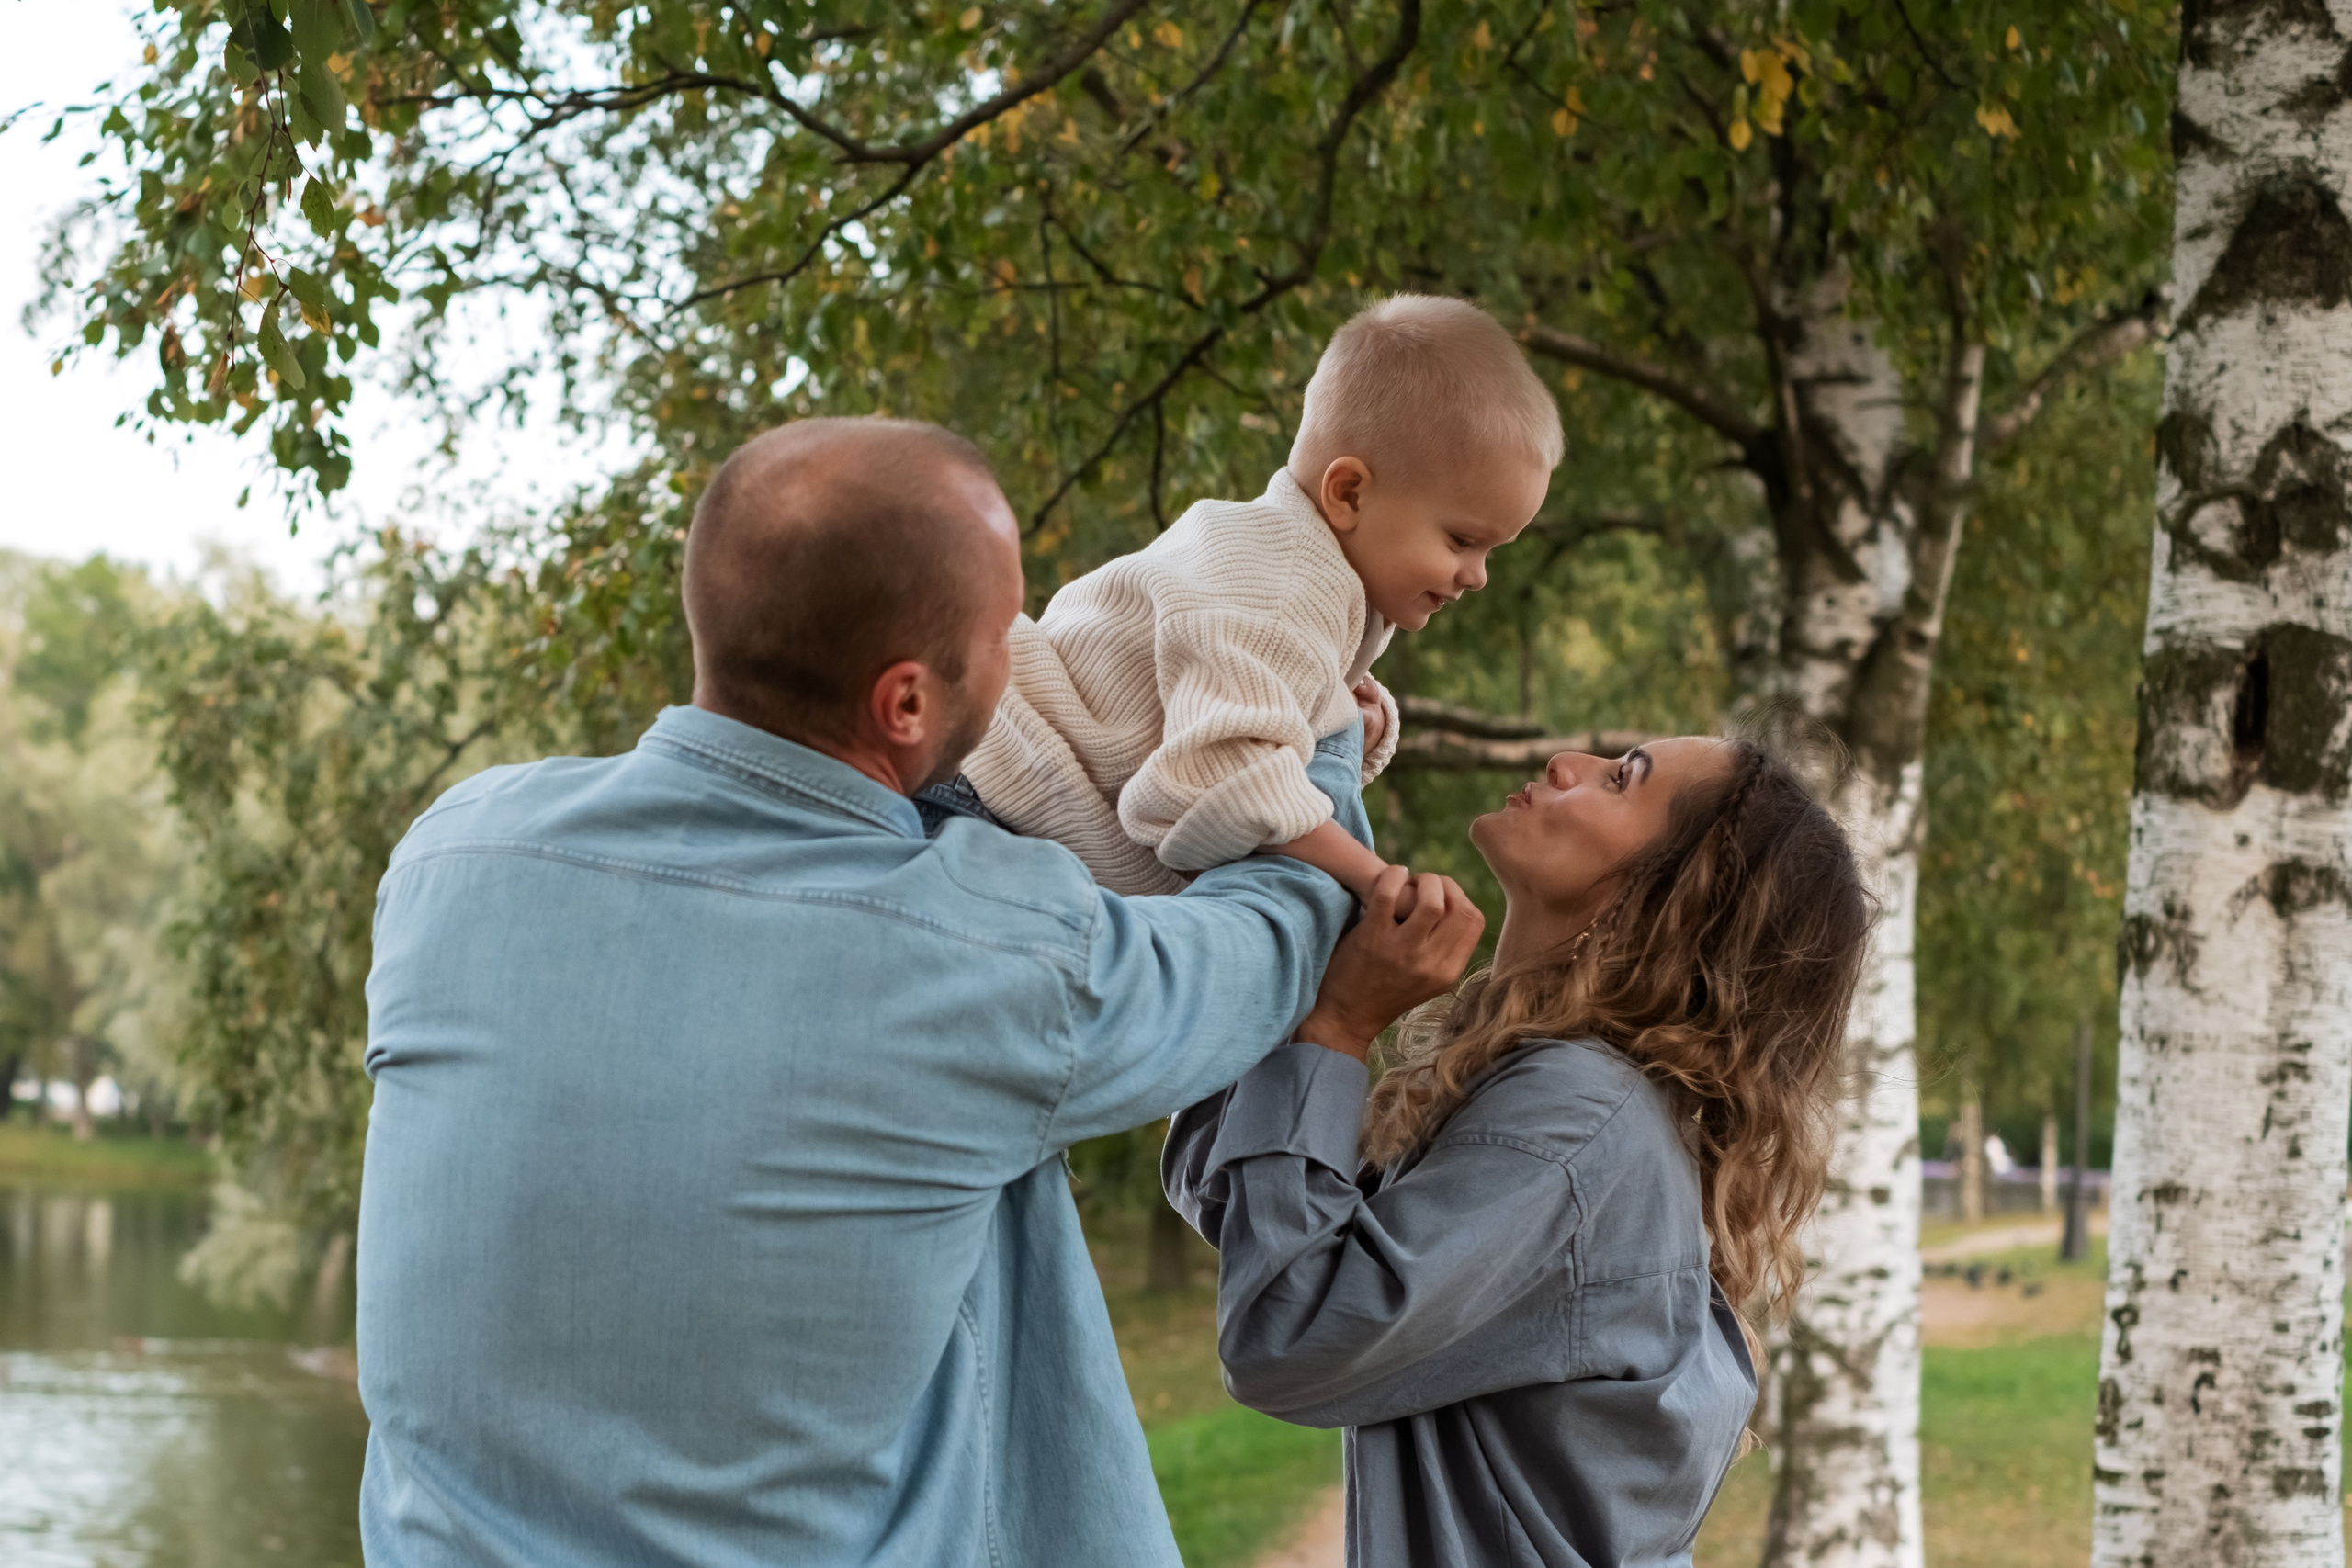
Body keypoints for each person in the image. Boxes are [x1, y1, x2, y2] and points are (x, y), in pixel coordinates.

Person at [353, 417, 1487, 1568]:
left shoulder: (452, 856)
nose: (1025, 657)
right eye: (1009, 632)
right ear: (905, 703)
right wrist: (1318, 731)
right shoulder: (992, 948)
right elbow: (1268, 936)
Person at [1166, 736, 1872, 1567]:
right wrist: (1313, 781)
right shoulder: (1562, 1093)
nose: (1568, 759)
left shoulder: (1578, 1119)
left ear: (1669, 899)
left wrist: (1338, 1031)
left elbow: (1286, 1333)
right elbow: (1230, 1191)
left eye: (1620, 780)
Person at [961, 294, 1562, 900]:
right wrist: (1374, 880)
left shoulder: (1315, 569)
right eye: (1462, 539)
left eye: (1491, 551)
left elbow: (1260, 729)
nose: (1478, 575)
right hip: (987, 784)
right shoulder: (1284, 586)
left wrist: (1361, 724)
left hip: (1011, 790)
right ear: (1349, 493)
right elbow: (1220, 781)